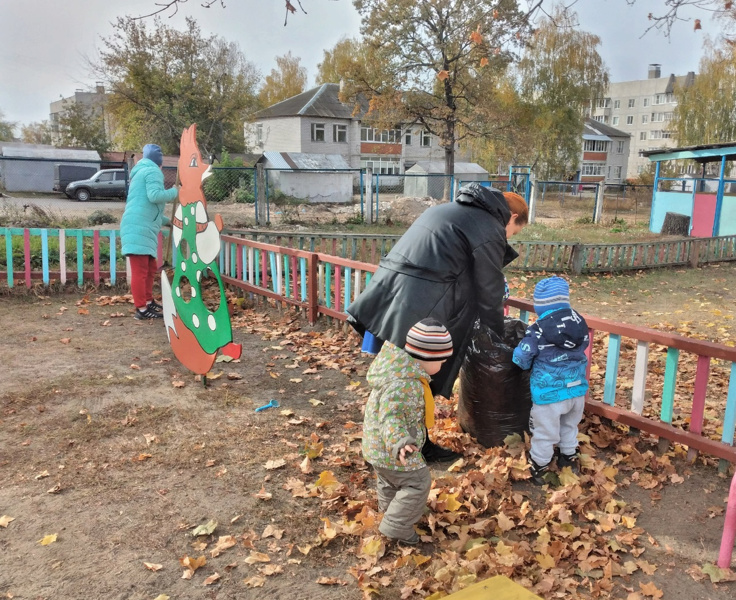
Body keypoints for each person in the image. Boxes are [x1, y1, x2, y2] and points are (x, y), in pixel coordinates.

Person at [347, 184, 528, 461]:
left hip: (396, 288)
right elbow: (490, 288)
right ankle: (416, 445)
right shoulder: (489, 226)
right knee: (419, 370)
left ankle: (395, 434)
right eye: (512, 233)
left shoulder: (455, 210)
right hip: (423, 299)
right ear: (513, 217)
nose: (507, 238)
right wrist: (496, 333)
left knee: (400, 370)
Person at [362, 318, 453, 545]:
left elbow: (404, 407)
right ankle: (396, 526)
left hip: (378, 449)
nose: (442, 365)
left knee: (389, 481)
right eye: (441, 360)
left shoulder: (399, 369)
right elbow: (391, 416)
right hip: (394, 447)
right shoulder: (404, 383)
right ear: (426, 357)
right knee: (417, 482)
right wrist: (400, 441)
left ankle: (390, 510)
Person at [511, 276, 590, 485]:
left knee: (544, 433)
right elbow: (584, 345)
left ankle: (539, 465)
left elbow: (522, 358)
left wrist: (515, 357)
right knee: (569, 426)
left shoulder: (537, 330)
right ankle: (568, 458)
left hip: (549, 394)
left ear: (540, 306)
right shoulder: (579, 323)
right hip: (576, 391)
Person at [120, 144, 179, 320]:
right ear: (159, 161)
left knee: (150, 267)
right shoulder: (152, 172)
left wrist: (169, 222)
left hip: (139, 225)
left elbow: (146, 207)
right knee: (140, 271)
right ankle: (141, 309)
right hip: (138, 228)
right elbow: (155, 196)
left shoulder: (141, 172)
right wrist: (176, 192)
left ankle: (148, 301)